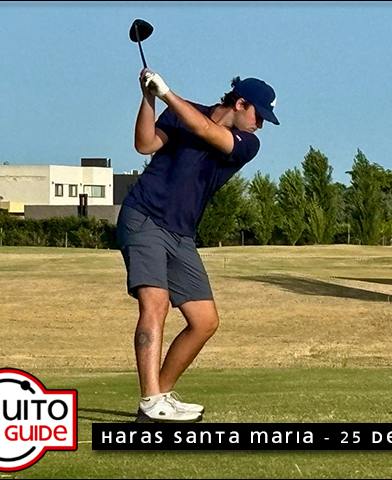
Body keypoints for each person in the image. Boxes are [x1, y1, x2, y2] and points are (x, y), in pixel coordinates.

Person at [116, 68, 279, 423]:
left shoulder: (247, 144)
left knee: (205, 321)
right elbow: (145, 144)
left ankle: (159, 395)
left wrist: (166, 93)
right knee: (155, 304)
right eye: (259, 115)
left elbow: (206, 130)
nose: (260, 124)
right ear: (241, 103)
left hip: (181, 232)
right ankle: (151, 401)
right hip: (144, 216)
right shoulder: (181, 111)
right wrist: (148, 98)